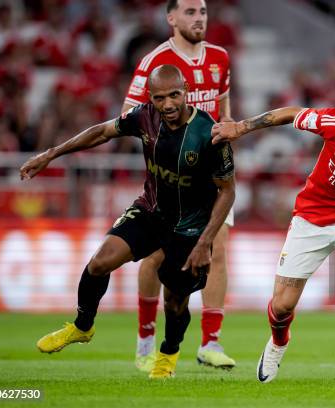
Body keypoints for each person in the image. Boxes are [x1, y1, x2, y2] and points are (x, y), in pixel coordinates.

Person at [22, 65, 235, 379]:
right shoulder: (144, 117)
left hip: (190, 227)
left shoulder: (209, 133)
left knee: (175, 299)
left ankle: (167, 354)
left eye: (175, 95)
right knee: (99, 263)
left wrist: (206, 242)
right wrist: (51, 154)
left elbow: (228, 192)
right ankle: (82, 327)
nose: (169, 104)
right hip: (151, 211)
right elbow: (102, 132)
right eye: (160, 98)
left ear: (186, 90)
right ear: (151, 98)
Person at [212, 74, 335, 385]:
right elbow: (291, 113)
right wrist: (240, 128)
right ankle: (278, 343)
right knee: (281, 307)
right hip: (311, 220)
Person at [123, 0, 235, 371]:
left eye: (202, 11)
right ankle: (144, 344)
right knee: (155, 256)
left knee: (217, 250)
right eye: (189, 12)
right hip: (170, 179)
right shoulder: (154, 62)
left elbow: (223, 107)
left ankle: (210, 343)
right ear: (171, 18)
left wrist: (227, 130)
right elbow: (129, 115)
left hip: (211, 177)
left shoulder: (220, 57)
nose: (198, 18)